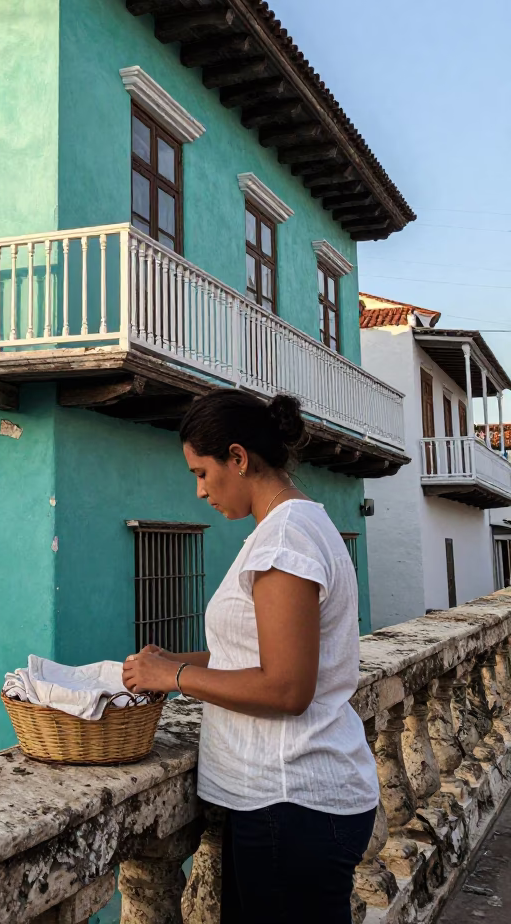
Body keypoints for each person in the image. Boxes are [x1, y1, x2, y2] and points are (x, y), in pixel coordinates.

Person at [122, 389, 378, 923]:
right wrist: (172, 660)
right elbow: (254, 652)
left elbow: (285, 688)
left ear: (237, 458)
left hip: (293, 802)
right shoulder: (292, 526)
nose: (199, 491)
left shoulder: (286, 540)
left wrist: (176, 675)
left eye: (201, 472)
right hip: (285, 804)